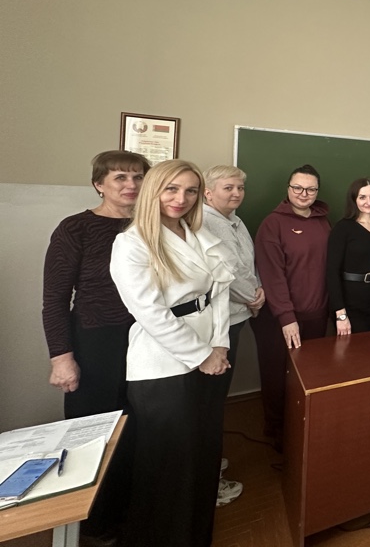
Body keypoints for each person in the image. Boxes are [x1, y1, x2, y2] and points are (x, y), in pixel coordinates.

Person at [110, 159, 234, 547]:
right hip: (163, 367)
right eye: (172, 189)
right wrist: (202, 355)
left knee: (202, 456)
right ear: (154, 191)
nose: (182, 198)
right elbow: (150, 313)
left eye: (191, 190)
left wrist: (220, 344)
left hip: (210, 355)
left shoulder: (197, 233)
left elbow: (219, 291)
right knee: (169, 465)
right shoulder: (132, 243)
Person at [41, 149, 150, 543]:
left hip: (148, 340)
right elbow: (54, 300)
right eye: (120, 177)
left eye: (138, 177)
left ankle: (131, 516)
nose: (131, 185)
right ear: (99, 184)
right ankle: (94, 525)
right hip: (96, 341)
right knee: (93, 435)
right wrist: (62, 358)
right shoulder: (76, 228)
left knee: (139, 431)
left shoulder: (153, 225)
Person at [253, 164, 331, 450]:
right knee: (278, 377)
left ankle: (302, 433)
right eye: (297, 187)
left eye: (310, 189)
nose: (303, 193)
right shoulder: (272, 223)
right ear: (288, 188)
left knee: (307, 378)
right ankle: (277, 434)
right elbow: (271, 275)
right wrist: (287, 317)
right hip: (282, 318)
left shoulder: (324, 222)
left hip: (316, 314)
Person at [201, 165, 265, 506]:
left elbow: (247, 265)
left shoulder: (236, 221)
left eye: (240, 187)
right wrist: (254, 297)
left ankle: (210, 460)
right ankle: (207, 476)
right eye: (228, 188)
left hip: (239, 314)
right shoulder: (206, 222)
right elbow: (225, 271)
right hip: (220, 323)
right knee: (210, 400)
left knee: (219, 397)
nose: (237, 193)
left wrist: (257, 291)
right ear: (209, 192)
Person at [327, 178, 370, 334]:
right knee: (355, 349)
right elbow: (332, 272)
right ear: (354, 200)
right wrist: (340, 314)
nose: (369, 202)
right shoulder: (343, 228)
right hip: (350, 306)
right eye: (362, 197)